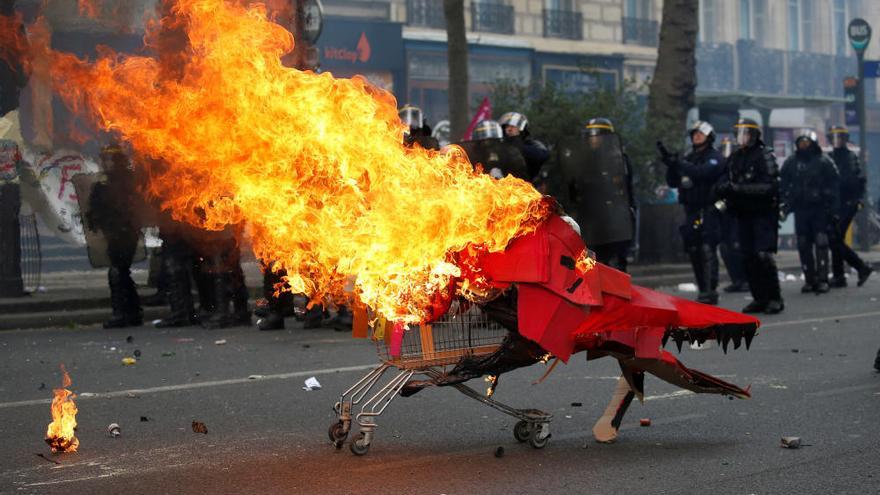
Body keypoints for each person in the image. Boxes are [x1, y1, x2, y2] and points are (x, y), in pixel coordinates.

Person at [716, 118, 783, 314]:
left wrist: (740, 188)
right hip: (742, 213)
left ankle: (775, 298)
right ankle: (759, 297)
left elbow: (770, 186)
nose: (742, 137)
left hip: (763, 213)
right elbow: (723, 178)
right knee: (748, 257)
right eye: (739, 133)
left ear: (754, 135)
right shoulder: (735, 157)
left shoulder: (765, 155)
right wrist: (722, 190)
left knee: (763, 255)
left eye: (745, 133)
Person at [551, 118, 635, 272]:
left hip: (612, 218)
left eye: (596, 135)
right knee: (589, 263)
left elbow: (618, 187)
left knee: (615, 265)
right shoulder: (583, 159)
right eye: (590, 135)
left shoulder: (618, 158)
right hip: (590, 217)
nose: (593, 139)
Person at [661, 121, 725, 304]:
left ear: (709, 136)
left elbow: (702, 173)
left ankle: (710, 289)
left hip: (709, 209)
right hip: (691, 210)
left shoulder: (715, 157)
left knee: (707, 249)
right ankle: (702, 288)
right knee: (694, 249)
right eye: (694, 134)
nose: (697, 136)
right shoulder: (689, 158)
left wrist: (679, 163)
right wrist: (671, 166)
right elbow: (674, 182)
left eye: (701, 134)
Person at [86, 145, 143, 328]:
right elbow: (95, 207)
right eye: (103, 159)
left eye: (109, 159)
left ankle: (122, 313)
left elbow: (134, 207)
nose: (105, 163)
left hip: (125, 231)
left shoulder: (127, 181)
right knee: (121, 271)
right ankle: (132, 312)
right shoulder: (104, 183)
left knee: (118, 272)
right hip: (113, 231)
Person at [780, 129, 840, 294]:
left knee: (821, 242)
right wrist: (784, 202)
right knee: (803, 243)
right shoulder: (791, 162)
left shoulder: (824, 161)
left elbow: (835, 185)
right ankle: (809, 279)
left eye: (807, 142)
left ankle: (822, 279)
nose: (804, 145)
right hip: (801, 209)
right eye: (801, 142)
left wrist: (834, 209)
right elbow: (783, 183)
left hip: (820, 208)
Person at [827, 125, 873, 287]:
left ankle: (861, 266)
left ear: (845, 139)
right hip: (835, 203)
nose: (837, 140)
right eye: (834, 137)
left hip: (847, 203)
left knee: (835, 237)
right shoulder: (829, 156)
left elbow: (849, 181)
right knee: (834, 238)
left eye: (840, 137)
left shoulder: (849, 157)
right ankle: (839, 276)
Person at [717, 136, 749, 293]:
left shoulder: (742, 168)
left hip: (740, 212)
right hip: (725, 213)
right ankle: (736, 279)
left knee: (738, 246)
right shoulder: (720, 171)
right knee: (725, 247)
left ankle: (745, 279)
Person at [462, 119, 530, 180]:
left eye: (492, 141)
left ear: (499, 141)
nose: (487, 144)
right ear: (477, 143)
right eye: (483, 141)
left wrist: (503, 180)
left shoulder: (512, 154)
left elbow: (522, 179)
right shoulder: (469, 157)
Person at [498, 111, 550, 180]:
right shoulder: (499, 145)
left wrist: (517, 145)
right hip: (501, 186)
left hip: (526, 186)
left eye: (513, 126)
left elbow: (543, 156)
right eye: (506, 127)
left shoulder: (532, 144)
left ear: (521, 128)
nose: (509, 129)